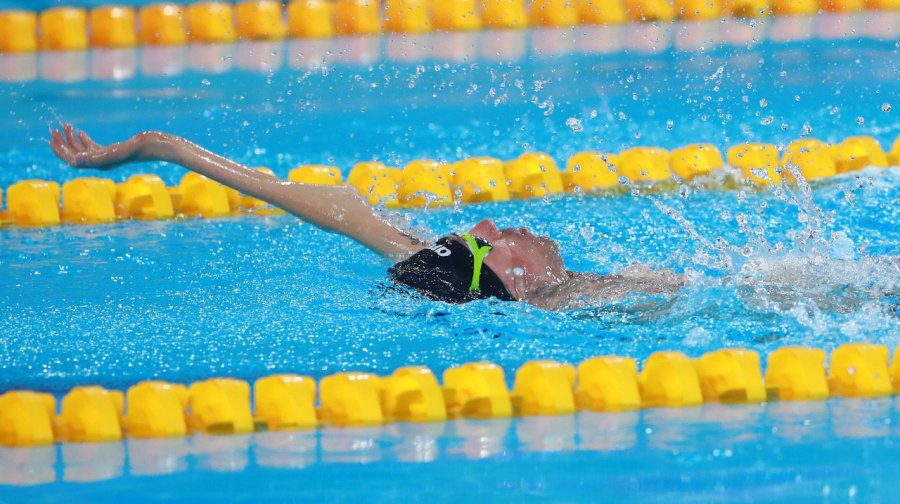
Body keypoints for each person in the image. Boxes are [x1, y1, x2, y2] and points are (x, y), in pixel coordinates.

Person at [49, 124, 684, 310]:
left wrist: (156, 145)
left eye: (485, 237)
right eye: (484, 240)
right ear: (516, 284)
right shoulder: (559, 298)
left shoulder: (556, 292)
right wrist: (155, 147)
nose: (495, 226)